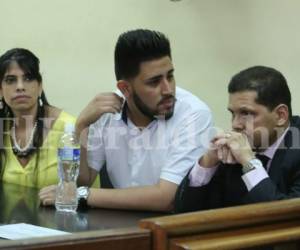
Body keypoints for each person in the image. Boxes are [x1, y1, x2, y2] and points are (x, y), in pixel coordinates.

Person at [39, 29, 212, 211]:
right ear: (125, 89)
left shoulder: (194, 114)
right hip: (122, 223)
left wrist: (82, 194)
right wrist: (81, 125)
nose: (168, 89)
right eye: (154, 82)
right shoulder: (107, 111)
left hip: (176, 229)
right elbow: (84, 179)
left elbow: (167, 198)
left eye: (170, 76)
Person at [175, 65, 300, 213]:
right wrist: (208, 163)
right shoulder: (234, 151)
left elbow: (289, 218)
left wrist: (249, 164)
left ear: (280, 115)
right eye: (233, 114)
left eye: (246, 113)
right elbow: (183, 211)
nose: (235, 124)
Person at [0, 48, 76, 188]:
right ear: (0, 90)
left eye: (28, 78)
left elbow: (84, 189)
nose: (20, 87)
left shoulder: (68, 128)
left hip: (62, 209)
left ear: (40, 86)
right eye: (11, 80)